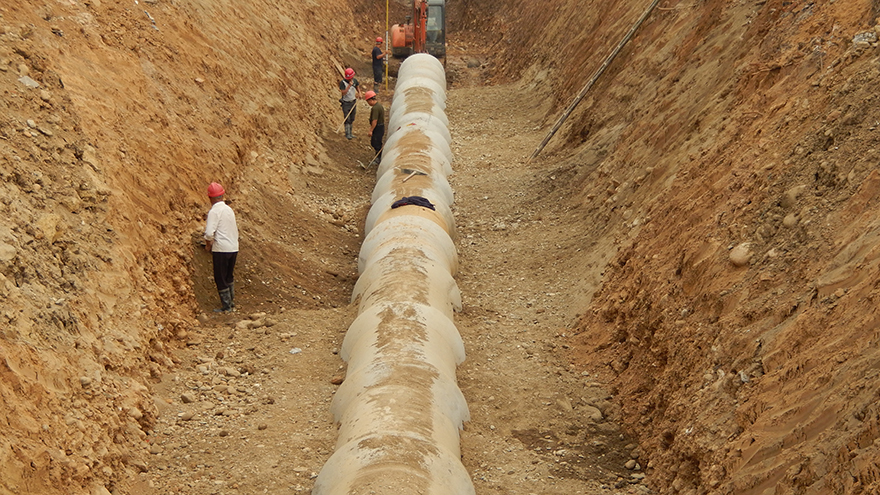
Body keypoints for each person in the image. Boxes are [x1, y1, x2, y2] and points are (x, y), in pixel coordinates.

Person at [204, 182, 239, 312]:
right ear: (222, 195)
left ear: (210, 198)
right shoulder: (229, 210)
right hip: (234, 247)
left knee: (220, 277)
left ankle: (226, 306)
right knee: (229, 276)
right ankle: (232, 302)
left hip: (221, 249)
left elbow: (208, 233)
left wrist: (208, 244)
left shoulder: (214, 212)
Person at [339, 68, 361, 140]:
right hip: (346, 103)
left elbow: (357, 86)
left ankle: (351, 133)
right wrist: (349, 86)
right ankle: (347, 133)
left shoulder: (354, 81)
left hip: (353, 101)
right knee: (347, 118)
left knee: (352, 118)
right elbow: (343, 92)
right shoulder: (343, 83)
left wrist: (359, 93)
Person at [365, 90, 385, 167]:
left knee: (376, 143)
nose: (368, 103)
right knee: (376, 142)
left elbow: (374, 120)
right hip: (380, 127)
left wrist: (371, 130)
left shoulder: (375, 108)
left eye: (368, 101)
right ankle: (378, 156)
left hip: (378, 128)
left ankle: (378, 158)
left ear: (370, 100)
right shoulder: (379, 106)